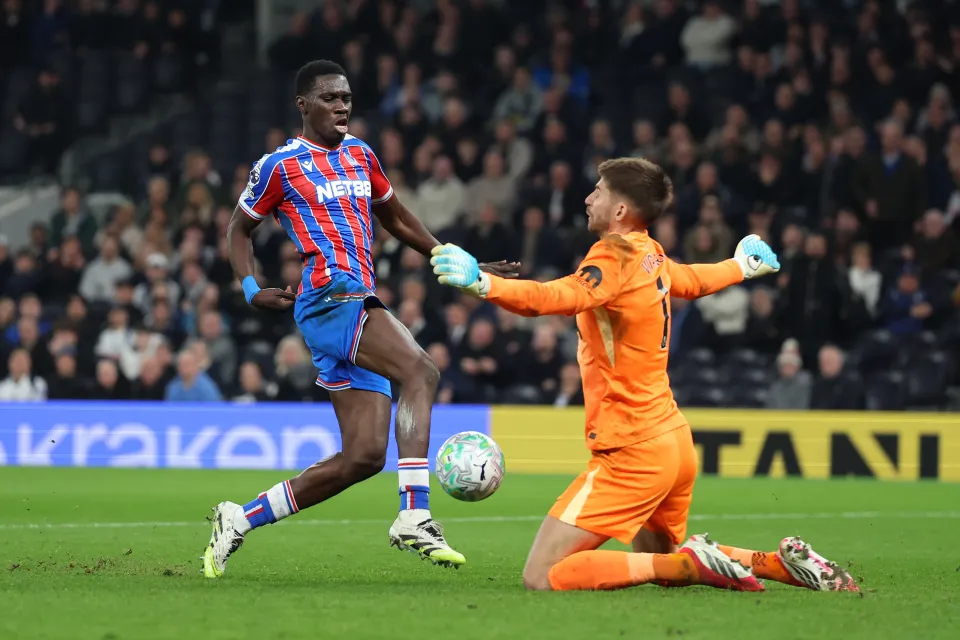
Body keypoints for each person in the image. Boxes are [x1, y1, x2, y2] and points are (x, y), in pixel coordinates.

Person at [431, 157, 858, 593]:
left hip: (631, 448)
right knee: (660, 559)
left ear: (619, 210)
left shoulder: (612, 257)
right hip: (673, 443)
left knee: (543, 576)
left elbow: (556, 296)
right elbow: (690, 279)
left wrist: (484, 285)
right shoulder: (650, 252)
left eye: (597, 190)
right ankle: (778, 565)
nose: (588, 197)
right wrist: (741, 267)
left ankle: (694, 565)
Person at [203, 60, 518, 579]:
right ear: (304, 105)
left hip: (355, 299)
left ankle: (240, 518)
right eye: (330, 97)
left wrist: (454, 259)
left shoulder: (361, 155)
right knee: (422, 371)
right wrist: (250, 286)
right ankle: (415, 514)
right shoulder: (280, 165)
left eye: (347, 97)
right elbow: (239, 229)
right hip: (330, 297)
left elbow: (394, 216)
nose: (343, 105)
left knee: (365, 457)